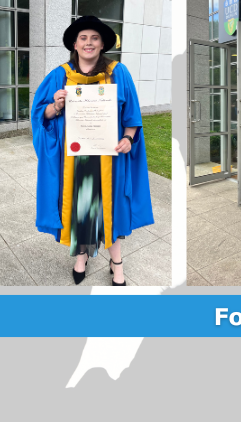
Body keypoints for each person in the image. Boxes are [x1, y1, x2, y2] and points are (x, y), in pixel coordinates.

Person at [31, 16, 153, 286]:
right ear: (74, 44)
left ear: (102, 44)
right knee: (81, 208)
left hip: (110, 157)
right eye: (83, 38)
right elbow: (42, 115)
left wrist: (128, 139)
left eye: (94, 38)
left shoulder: (118, 72)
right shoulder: (59, 75)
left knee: (112, 209)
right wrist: (57, 105)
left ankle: (116, 261)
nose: (89, 43)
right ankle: (82, 256)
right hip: (75, 158)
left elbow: (132, 115)